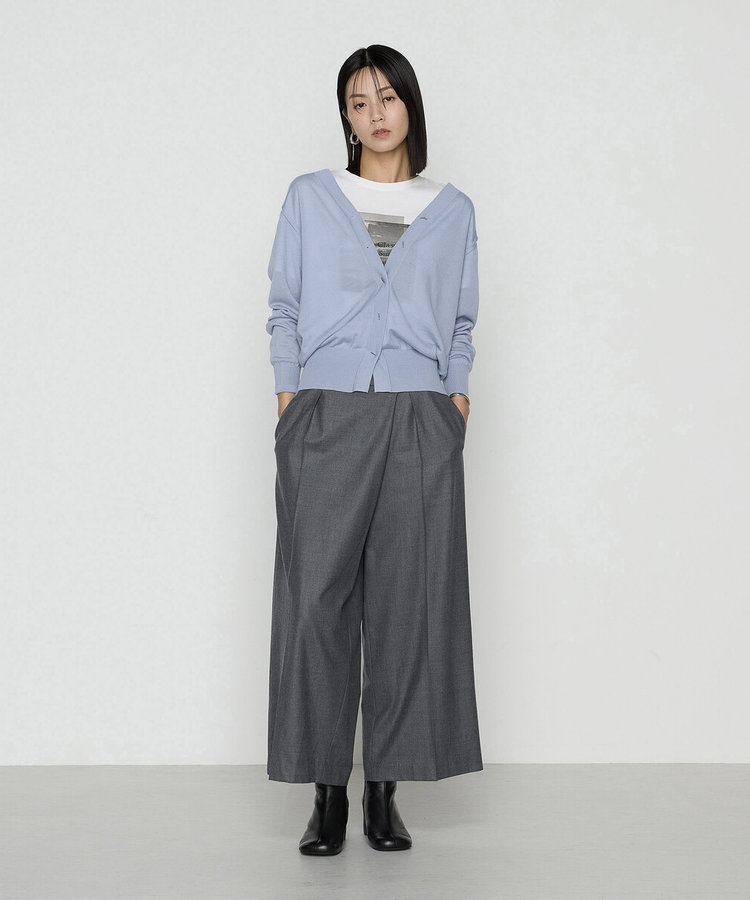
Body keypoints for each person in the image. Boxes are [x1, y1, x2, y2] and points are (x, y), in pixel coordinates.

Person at [265, 44, 483, 856]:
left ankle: (384, 791)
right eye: (359, 102)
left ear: (410, 106)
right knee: (315, 604)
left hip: (421, 417)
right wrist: (289, 398)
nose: (375, 114)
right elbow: (284, 305)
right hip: (325, 414)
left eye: (387, 97)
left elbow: (460, 319)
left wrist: (455, 397)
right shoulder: (310, 196)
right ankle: (326, 791)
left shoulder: (452, 209)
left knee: (407, 606)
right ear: (346, 118)